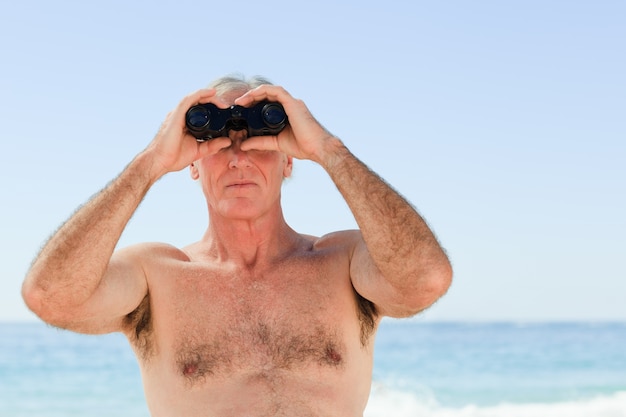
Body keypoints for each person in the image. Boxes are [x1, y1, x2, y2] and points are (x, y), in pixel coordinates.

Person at [22, 74, 452, 417]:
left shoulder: (344, 262)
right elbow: (51, 296)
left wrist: (328, 150)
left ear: (288, 160)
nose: (238, 157)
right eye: (218, 142)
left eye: (257, 139)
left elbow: (426, 279)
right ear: (192, 165)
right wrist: (150, 162)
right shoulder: (157, 274)